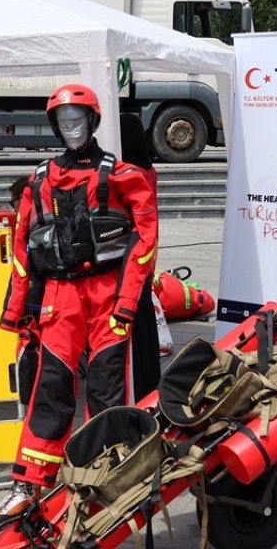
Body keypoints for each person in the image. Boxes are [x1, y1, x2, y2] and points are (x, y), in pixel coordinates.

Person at [0, 83, 157, 529]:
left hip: (106, 296)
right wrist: (18, 311)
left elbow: (144, 241)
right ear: (54, 126)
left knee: (107, 390)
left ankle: (104, 480)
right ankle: (28, 485)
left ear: (94, 121)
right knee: (50, 388)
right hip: (59, 298)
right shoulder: (39, 181)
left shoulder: (124, 176)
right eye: (63, 121)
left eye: (78, 119)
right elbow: (22, 251)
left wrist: (125, 303)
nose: (71, 128)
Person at [119, 113, 162, 402]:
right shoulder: (149, 169)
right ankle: (149, 382)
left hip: (130, 256)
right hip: (148, 254)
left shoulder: (127, 173)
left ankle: (135, 385)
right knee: (145, 322)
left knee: (129, 323)